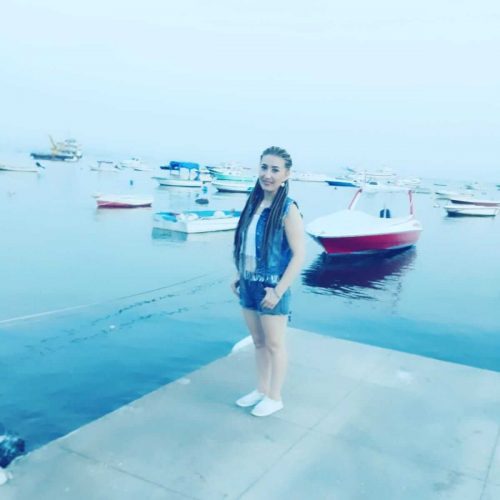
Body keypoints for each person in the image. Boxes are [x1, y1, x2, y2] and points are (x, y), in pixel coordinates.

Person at [231, 146, 305, 417]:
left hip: (272, 287)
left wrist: (278, 291)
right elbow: (250, 246)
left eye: (275, 170)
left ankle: (275, 397)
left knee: (274, 344)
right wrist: (240, 274)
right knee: (258, 342)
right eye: (264, 167)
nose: (268, 174)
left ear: (286, 175)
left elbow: (299, 254)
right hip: (249, 283)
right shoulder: (253, 203)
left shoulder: (287, 208)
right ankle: (261, 390)